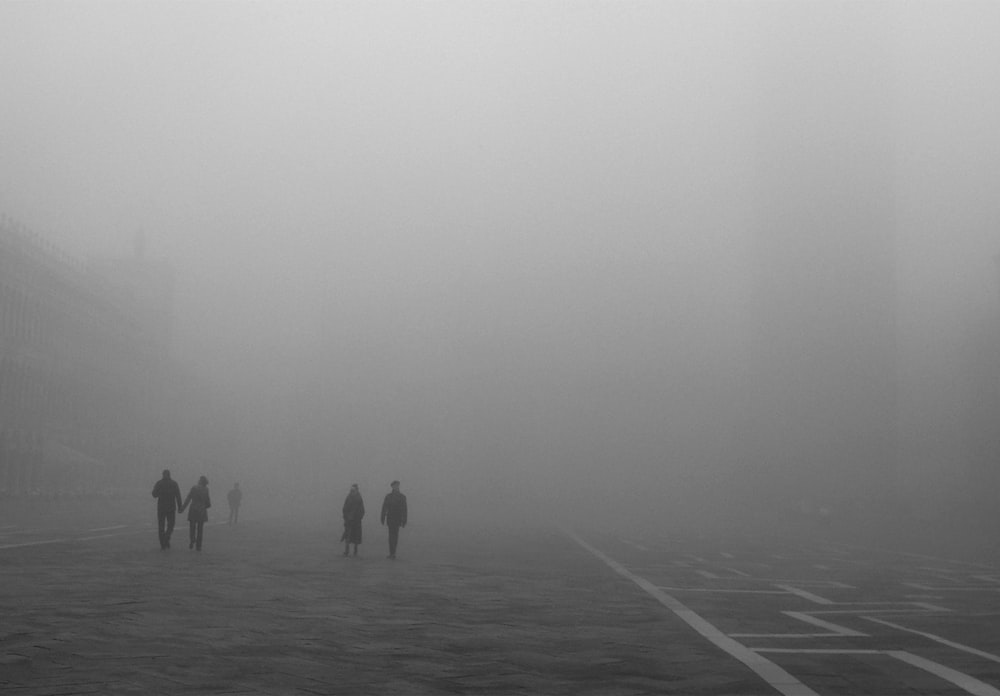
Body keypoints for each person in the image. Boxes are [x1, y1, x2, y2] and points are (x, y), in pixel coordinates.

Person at [151, 469, 183, 550]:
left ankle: (163, 543)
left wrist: (160, 493)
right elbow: (178, 496)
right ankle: (166, 537)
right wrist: (180, 507)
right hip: (171, 508)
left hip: (161, 507)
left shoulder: (159, 483)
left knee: (161, 526)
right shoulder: (174, 483)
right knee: (171, 525)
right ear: (169, 475)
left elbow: (154, 494)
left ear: (163, 475)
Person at [181, 475, 211, 551]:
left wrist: (182, 508)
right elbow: (208, 502)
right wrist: (204, 506)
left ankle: (192, 539)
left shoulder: (194, 488)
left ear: (200, 481)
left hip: (193, 509)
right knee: (200, 529)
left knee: (192, 527)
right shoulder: (206, 489)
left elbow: (188, 498)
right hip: (202, 510)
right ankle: (199, 546)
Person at [380, 480, 408, 560]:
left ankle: (393, 553)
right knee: (391, 536)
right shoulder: (388, 496)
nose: (396, 487)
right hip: (390, 518)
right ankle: (391, 552)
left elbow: (404, 509)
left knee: (395, 536)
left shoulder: (402, 497)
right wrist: (382, 517)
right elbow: (384, 507)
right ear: (392, 487)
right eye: (394, 486)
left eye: (397, 486)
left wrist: (404, 520)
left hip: (397, 519)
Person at [341, 483, 365, 556]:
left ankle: (355, 550)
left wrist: (358, 517)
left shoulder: (359, 498)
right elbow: (344, 508)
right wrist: (346, 517)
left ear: (357, 490)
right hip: (349, 520)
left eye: (354, 490)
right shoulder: (348, 497)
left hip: (356, 520)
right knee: (347, 536)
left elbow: (362, 510)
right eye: (351, 490)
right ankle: (347, 550)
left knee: (356, 536)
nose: (352, 491)